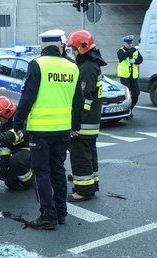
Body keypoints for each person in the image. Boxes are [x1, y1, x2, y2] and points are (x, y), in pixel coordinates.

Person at [13, 29, 84, 230]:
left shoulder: (37, 65)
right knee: (58, 171)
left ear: (43, 46)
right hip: (63, 129)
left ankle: (48, 216)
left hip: (41, 131)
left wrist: (18, 123)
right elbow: (78, 101)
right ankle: (61, 213)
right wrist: (75, 126)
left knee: (41, 172)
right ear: (60, 45)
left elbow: (27, 97)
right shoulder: (72, 67)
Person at [66, 30, 107, 202]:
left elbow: (85, 100)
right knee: (89, 153)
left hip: (84, 123)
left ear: (82, 48)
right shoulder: (92, 64)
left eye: (74, 49)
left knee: (80, 155)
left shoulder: (87, 68)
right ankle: (92, 183)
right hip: (92, 121)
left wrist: (76, 124)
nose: (72, 53)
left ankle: (83, 190)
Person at [0, 96, 32, 191]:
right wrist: (3, 170)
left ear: (6, 114)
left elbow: (15, 134)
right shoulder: (4, 124)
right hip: (18, 153)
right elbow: (4, 149)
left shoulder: (20, 118)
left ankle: (31, 181)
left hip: (31, 150)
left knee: (16, 161)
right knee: (9, 181)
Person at [117, 35, 143, 119]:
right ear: (124, 43)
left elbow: (141, 59)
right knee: (127, 95)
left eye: (130, 43)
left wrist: (135, 61)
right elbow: (122, 57)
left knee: (136, 94)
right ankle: (125, 111)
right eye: (128, 43)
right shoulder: (121, 51)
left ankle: (130, 109)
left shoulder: (135, 51)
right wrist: (132, 50)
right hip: (124, 76)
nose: (129, 45)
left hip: (133, 76)